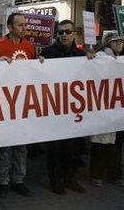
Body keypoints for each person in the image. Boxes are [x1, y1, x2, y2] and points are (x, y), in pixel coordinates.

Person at [40, 19, 95, 195]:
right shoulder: (48, 53)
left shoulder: (81, 56)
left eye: (67, 32)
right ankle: (56, 181)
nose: (64, 35)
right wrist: (38, 62)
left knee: (73, 148)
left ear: (74, 34)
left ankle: (71, 179)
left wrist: (94, 61)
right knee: (56, 148)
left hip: (73, 109)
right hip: (55, 107)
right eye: (61, 32)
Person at [0, 12, 36, 198]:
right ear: (10, 28)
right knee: (3, 145)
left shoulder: (29, 46)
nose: (24, 28)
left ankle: (18, 179)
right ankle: (3, 181)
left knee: (21, 145)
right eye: (20, 25)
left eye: (25, 25)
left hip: (23, 102)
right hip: (3, 102)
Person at [89, 32, 124, 187]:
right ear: (108, 44)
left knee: (115, 144)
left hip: (117, 106)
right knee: (100, 143)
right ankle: (96, 174)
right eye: (115, 42)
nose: (119, 44)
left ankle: (114, 174)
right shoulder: (100, 56)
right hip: (102, 106)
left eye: (120, 42)